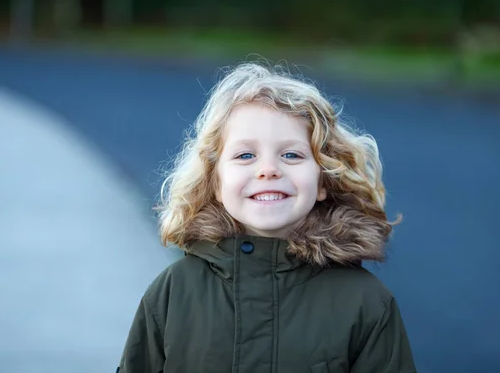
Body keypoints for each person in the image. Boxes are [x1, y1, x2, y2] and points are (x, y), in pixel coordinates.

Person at [117, 62, 416, 373]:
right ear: (216, 183)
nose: (268, 169)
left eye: (292, 155)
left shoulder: (366, 303)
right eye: (246, 155)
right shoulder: (173, 292)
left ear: (323, 181)